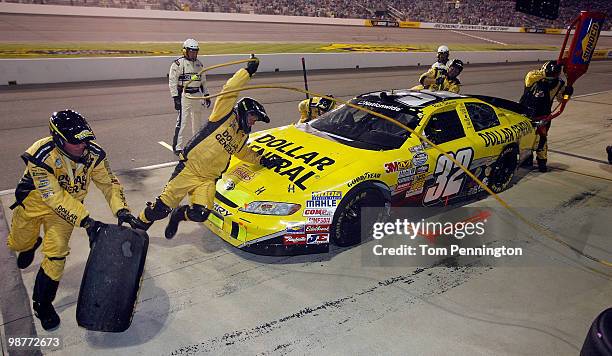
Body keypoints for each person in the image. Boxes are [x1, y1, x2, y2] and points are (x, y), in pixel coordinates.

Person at [6, 110, 139, 331]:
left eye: (86, 140)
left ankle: (42, 304)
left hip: (65, 213)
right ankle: (30, 244)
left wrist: (121, 210)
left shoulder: (94, 154)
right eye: (75, 142)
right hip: (33, 206)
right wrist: (86, 221)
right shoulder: (39, 155)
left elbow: (109, 183)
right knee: (18, 244)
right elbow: (54, 197)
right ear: (58, 139)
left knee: (57, 254)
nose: (82, 146)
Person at [136, 57, 277, 238]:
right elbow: (230, 90)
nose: (253, 122)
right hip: (189, 169)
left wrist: (263, 160)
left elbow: (244, 153)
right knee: (160, 210)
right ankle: (137, 226)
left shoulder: (242, 135)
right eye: (252, 117)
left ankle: (179, 214)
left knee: (201, 214)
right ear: (243, 111)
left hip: (208, 179)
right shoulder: (224, 114)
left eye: (255, 120)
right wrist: (247, 72)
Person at [519, 60, 573, 172]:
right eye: (550, 75)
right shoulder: (533, 78)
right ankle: (526, 158)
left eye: (554, 76)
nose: (551, 79)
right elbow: (531, 76)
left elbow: (561, 100)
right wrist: (547, 72)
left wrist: (567, 95)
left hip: (544, 115)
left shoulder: (559, 83)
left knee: (542, 139)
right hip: (525, 114)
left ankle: (542, 162)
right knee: (524, 138)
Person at [169, 38, 211, 156]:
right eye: (191, 51)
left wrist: (206, 95)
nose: (193, 53)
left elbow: (203, 82)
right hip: (184, 95)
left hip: (197, 95)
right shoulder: (178, 64)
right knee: (182, 121)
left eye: (195, 51)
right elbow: (172, 81)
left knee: (197, 120)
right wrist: (175, 98)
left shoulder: (199, 64)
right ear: (185, 51)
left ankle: (196, 143)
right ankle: (177, 146)